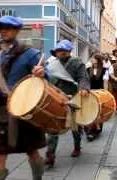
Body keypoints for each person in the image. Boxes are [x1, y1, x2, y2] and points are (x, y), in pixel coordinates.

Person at [0, 16, 47, 180]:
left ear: (17, 30)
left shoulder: (30, 54)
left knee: (32, 152)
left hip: (25, 113)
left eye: (8, 27)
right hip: (3, 112)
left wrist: (43, 74)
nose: (3, 30)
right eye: (0, 28)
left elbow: (49, 79)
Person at [44, 39, 90, 167]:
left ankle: (77, 146)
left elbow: (83, 77)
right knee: (53, 127)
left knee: (75, 127)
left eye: (63, 51)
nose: (61, 53)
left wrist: (84, 88)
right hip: (55, 98)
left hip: (72, 98)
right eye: (59, 51)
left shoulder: (77, 63)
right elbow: (46, 78)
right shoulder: (52, 64)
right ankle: (50, 155)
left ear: (69, 51)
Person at [85, 53, 107, 141]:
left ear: (98, 60)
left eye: (93, 58)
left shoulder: (104, 70)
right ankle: (91, 129)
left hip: (99, 93)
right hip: (89, 93)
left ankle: (95, 130)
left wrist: (105, 93)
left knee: (98, 112)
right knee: (90, 111)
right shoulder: (87, 69)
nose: (91, 59)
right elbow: (85, 81)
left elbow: (105, 83)